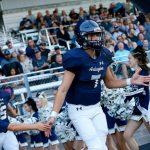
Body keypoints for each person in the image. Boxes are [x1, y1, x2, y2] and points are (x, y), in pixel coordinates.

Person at [46, 19, 150, 150]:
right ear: (81, 37)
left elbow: (110, 83)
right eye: (91, 35)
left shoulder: (103, 54)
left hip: (96, 108)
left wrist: (130, 81)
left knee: (101, 142)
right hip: (79, 110)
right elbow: (63, 89)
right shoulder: (76, 58)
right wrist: (53, 115)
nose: (95, 38)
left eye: (97, 34)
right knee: (95, 145)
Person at [124, 46, 150, 150]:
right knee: (127, 135)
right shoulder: (134, 73)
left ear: (136, 59)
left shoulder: (145, 72)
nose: (128, 60)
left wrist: (124, 94)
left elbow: (143, 91)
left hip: (146, 107)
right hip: (138, 108)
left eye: (129, 58)